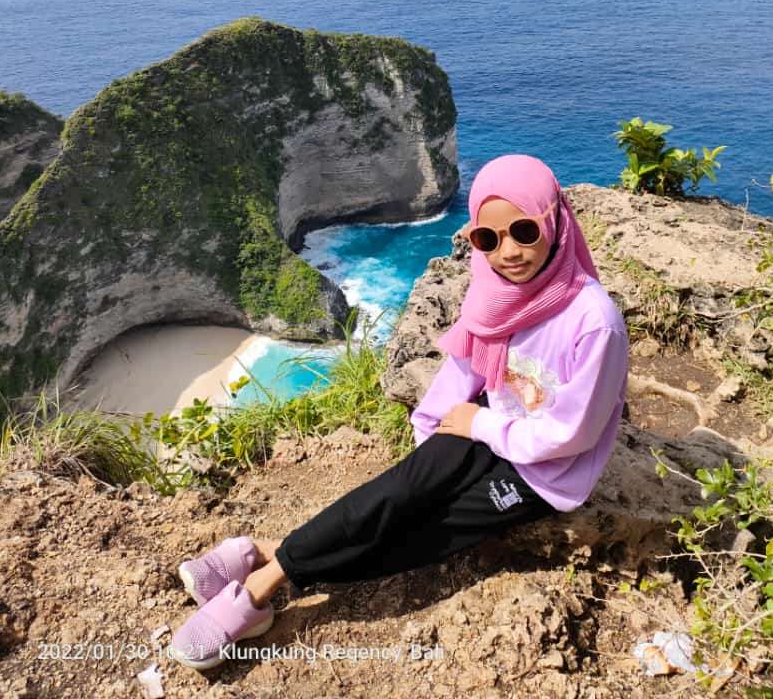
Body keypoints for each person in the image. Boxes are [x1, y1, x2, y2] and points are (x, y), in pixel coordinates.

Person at [169, 154, 629, 671]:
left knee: (422, 538)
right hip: (488, 421)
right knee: (397, 494)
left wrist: (480, 424)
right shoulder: (496, 285)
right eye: (489, 238)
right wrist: (430, 436)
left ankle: (262, 578)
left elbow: (574, 432)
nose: (509, 252)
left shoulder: (594, 322)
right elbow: (465, 364)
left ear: (555, 221)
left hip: (542, 468)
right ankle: (261, 565)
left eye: (525, 231)